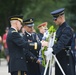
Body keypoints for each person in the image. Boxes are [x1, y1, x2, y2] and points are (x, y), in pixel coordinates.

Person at [42, 8, 75, 75]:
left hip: (65, 59)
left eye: (55, 19)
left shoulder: (67, 29)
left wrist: (51, 47)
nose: (54, 21)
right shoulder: (60, 29)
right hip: (59, 57)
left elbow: (61, 43)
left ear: (61, 17)